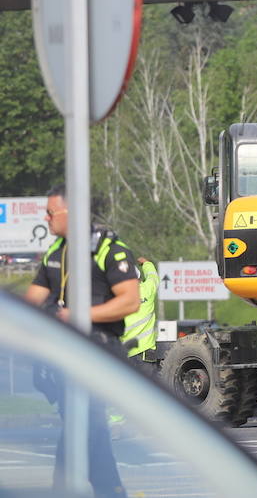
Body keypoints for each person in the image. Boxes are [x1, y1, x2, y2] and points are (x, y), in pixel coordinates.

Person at [23, 184, 139, 498]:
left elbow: (130, 300)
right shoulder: (56, 252)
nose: (46, 218)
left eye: (50, 212)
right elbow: (33, 299)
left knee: (85, 427)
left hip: (97, 354)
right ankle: (105, 490)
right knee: (84, 429)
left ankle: (96, 489)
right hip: (63, 359)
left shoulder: (108, 250)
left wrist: (78, 316)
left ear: (70, 212)